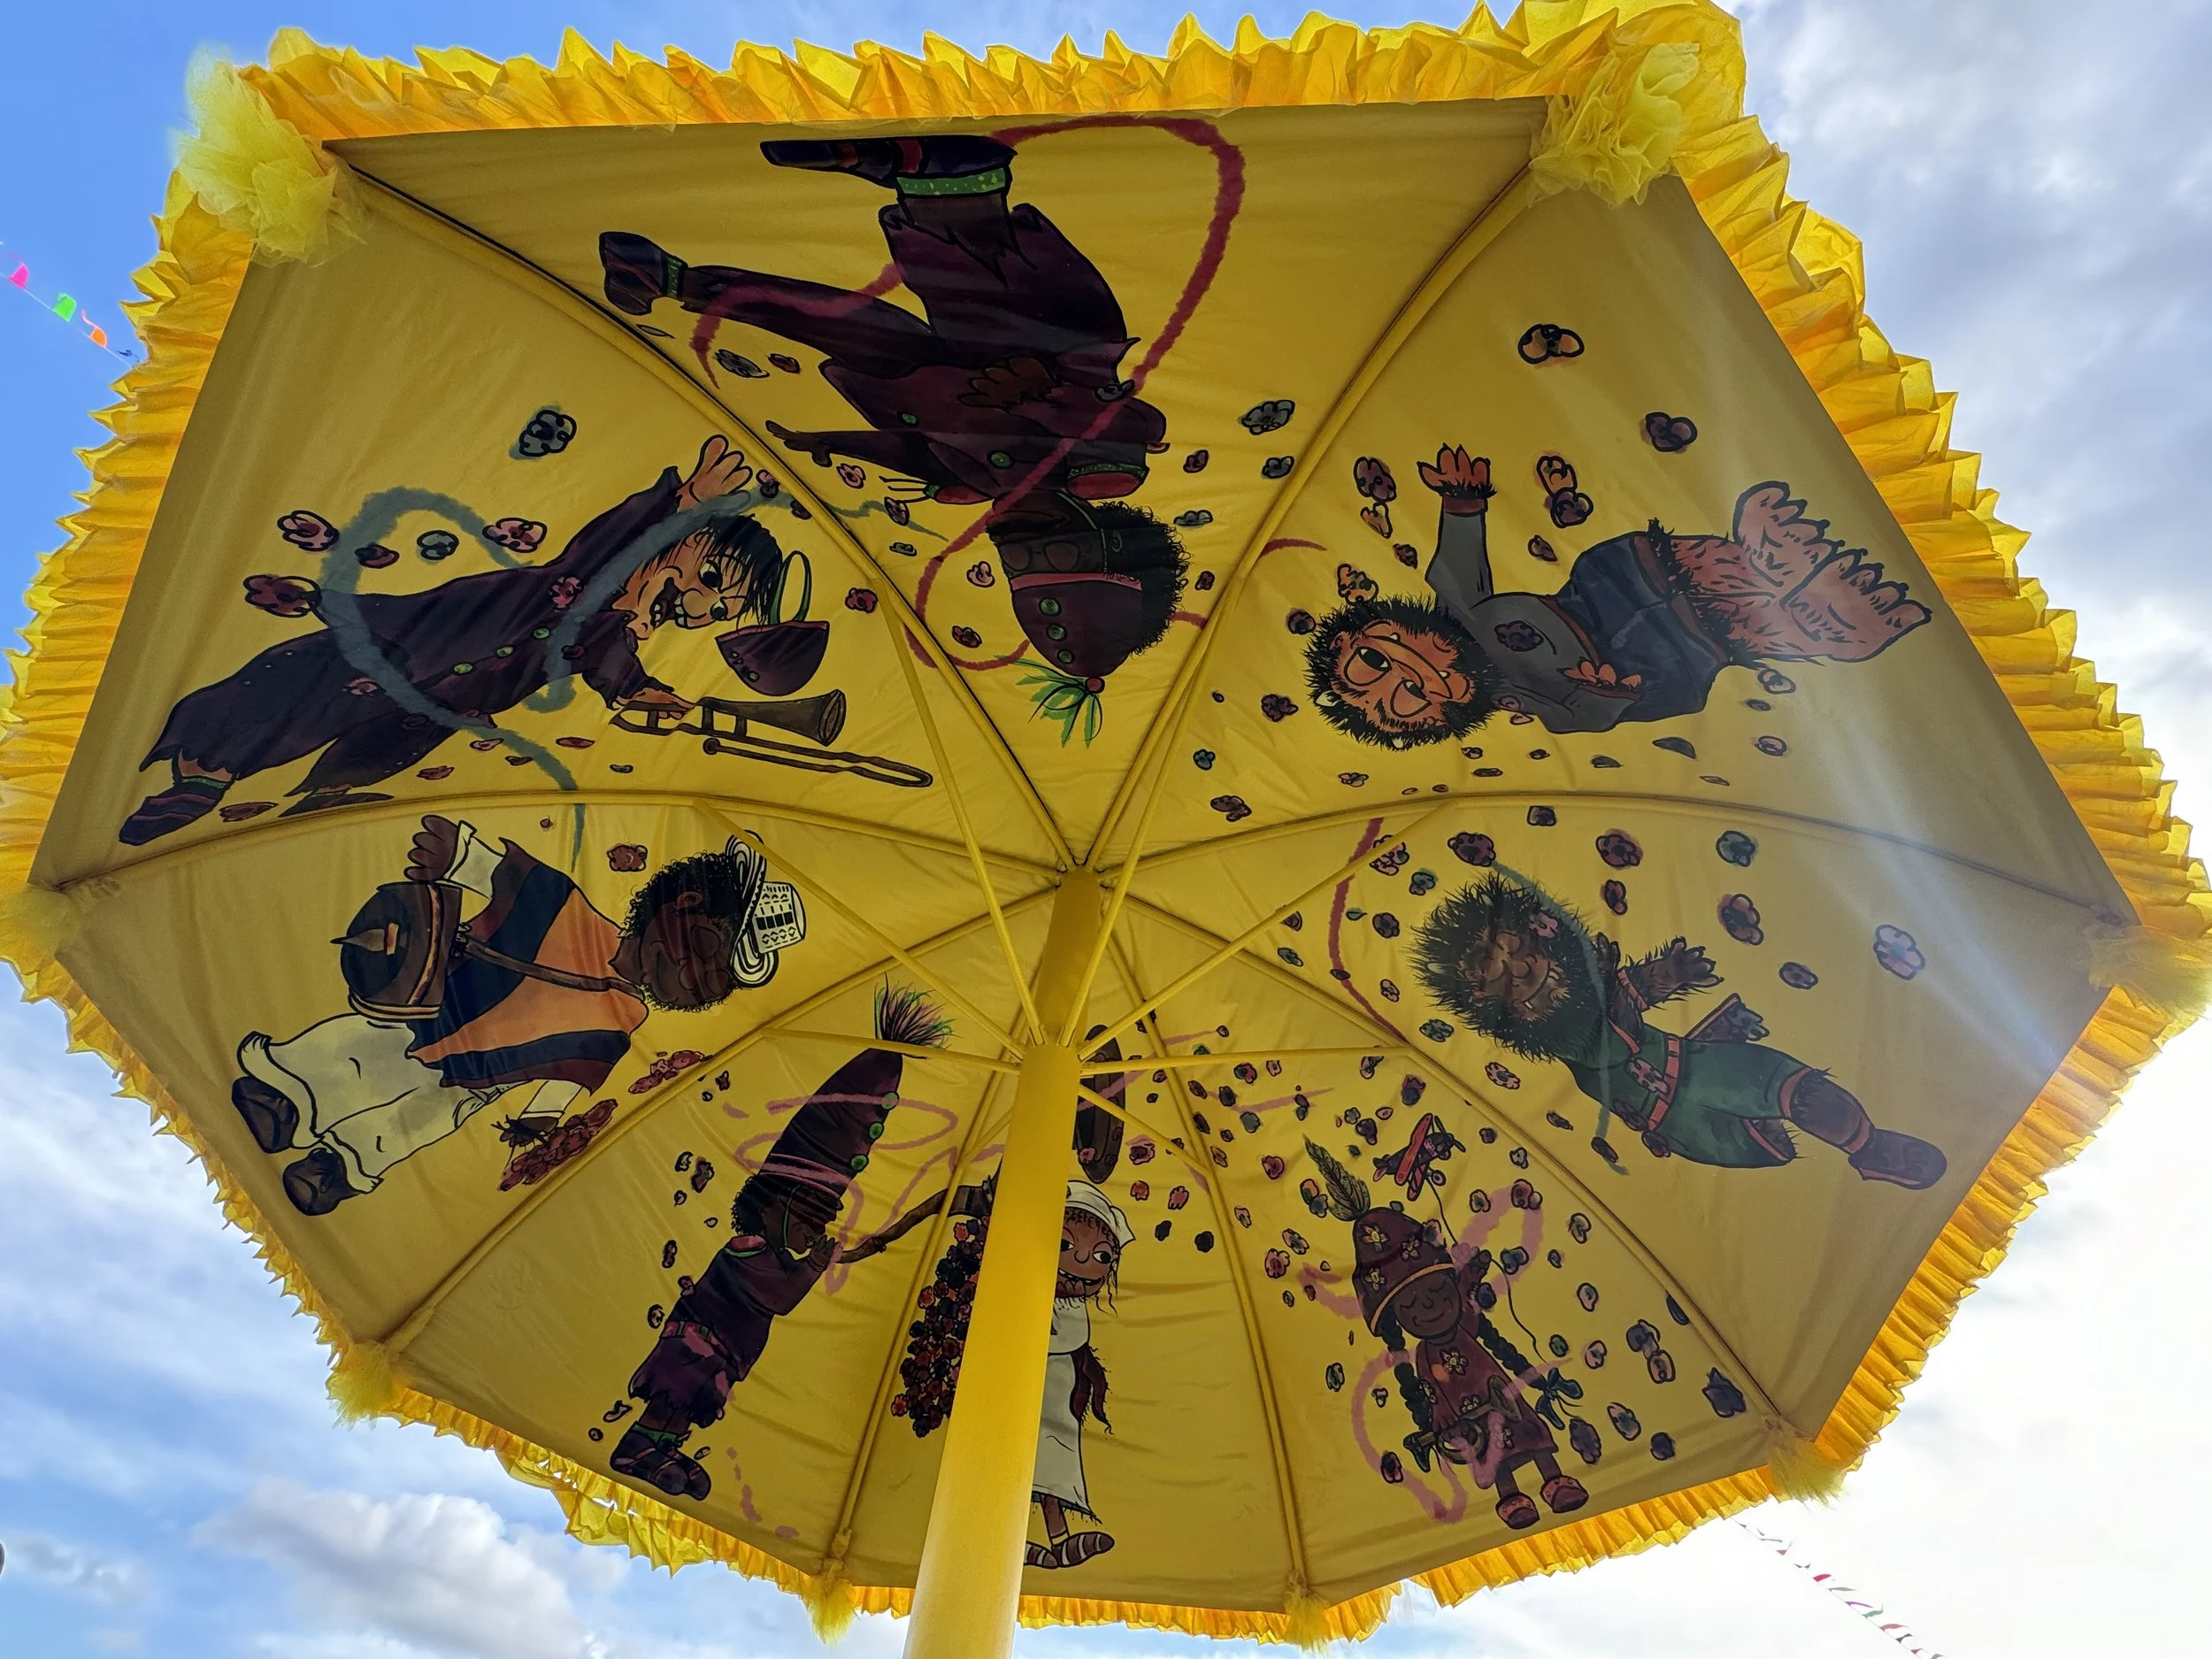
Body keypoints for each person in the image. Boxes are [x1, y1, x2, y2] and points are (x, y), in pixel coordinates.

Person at [598, 134, 1187, 732]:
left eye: (1012, 555)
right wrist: (1046, 384)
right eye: (1051, 543)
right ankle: (953, 180)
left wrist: (829, 441)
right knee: (973, 285)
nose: (1016, 530)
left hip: (913, 381)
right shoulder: (1103, 467)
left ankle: (671, 280)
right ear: (1104, 537)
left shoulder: (976, 482)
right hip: (1031, 333)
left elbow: (909, 453)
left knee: (826, 320)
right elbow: (1129, 412)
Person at [120, 436, 778, 843]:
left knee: (375, 743)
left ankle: (318, 793)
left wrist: (650, 695)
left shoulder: (615, 630)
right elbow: (607, 543)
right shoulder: (596, 572)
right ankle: (205, 768)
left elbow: (612, 666)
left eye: (719, 607)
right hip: (418, 641)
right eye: (710, 577)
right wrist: (684, 496)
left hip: (450, 697)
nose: (701, 604)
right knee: (299, 686)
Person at [230, 814, 804, 1215]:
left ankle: (339, 1164)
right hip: (444, 1004)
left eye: (712, 984)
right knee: (364, 1049)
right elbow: (505, 876)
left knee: (413, 1121)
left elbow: (574, 1067)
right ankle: (288, 1094)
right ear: (683, 905)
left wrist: (537, 1120)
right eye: (706, 952)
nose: (693, 980)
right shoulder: (568, 908)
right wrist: (456, 853)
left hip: (480, 1078)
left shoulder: (624, 1018)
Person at [1303, 445, 1932, 748]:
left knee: (1655, 559)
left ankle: (1751, 558)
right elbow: (1576, 718)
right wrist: (1604, 694)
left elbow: (1456, 561)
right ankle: (1809, 628)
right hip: (1658, 663)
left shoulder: (1460, 611)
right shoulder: (1523, 699)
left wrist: (1463, 499)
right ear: (1437, 720)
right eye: (1407, 698)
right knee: (1729, 635)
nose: (1410, 672)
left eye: (1372, 662)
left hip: (1607, 587)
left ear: (1379, 627)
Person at [610, 987, 950, 1501]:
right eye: (810, 1218)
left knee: (688, 1408)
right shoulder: (746, 1250)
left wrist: (815, 1257)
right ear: (771, 1207)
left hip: (719, 1354)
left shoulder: (765, 1251)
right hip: (697, 1349)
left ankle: (659, 1448)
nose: (815, 1231)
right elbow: (780, 1298)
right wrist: (814, 1263)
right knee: (674, 1399)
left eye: (821, 1220)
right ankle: (637, 1447)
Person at [1412, 872, 1947, 1187]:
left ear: (1540, 940)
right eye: (1499, 971)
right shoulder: (1554, 1031)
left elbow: (1624, 1003)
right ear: (1485, 998)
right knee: (1777, 1129)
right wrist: (1636, 983)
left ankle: (1867, 1144)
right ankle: (1863, 1144)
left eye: (1522, 952)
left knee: (1791, 1089)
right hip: (1679, 1116)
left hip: (1692, 1064)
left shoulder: (1585, 984)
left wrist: (1657, 976)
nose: (1522, 968)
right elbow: (1603, 1045)